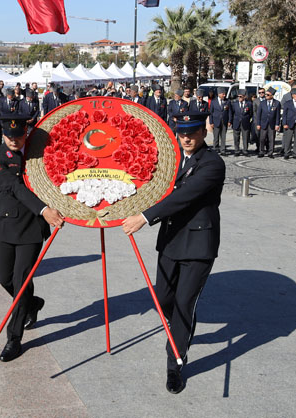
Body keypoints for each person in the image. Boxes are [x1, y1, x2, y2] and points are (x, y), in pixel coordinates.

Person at [121, 111, 225, 394]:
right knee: (163, 299)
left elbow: (184, 195)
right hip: (170, 241)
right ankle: (181, 326)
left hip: (198, 245)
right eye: (182, 133)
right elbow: (151, 183)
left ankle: (175, 363)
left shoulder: (213, 164)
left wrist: (144, 217)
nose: (187, 138)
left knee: (182, 305)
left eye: (192, 132)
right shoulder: (174, 160)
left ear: (203, 132)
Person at [0, 112, 65, 362]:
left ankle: (14, 338)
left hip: (32, 228)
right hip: (8, 225)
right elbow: (14, 186)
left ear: (26, 134)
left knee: (21, 283)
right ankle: (32, 304)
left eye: (19, 135)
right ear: (3, 135)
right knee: (4, 278)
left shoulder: (39, 153)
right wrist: (45, 209)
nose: (15, 140)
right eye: (10, 136)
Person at [256, 86, 281, 158]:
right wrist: (258, 123)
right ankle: (261, 151)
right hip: (263, 123)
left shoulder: (277, 103)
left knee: (271, 139)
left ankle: (270, 152)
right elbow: (259, 114)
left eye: (267, 95)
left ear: (272, 95)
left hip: (272, 124)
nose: (266, 96)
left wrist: (277, 124)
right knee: (262, 138)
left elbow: (278, 115)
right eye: (265, 94)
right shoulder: (262, 103)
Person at [229, 90, 252, 156]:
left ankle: (245, 150)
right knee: (236, 137)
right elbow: (232, 113)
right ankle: (237, 150)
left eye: (241, 96)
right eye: (238, 96)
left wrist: (246, 119)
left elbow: (250, 113)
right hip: (236, 122)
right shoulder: (234, 103)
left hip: (245, 123)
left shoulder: (249, 103)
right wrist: (231, 121)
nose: (239, 98)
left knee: (245, 137)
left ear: (244, 97)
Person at [209, 88, 230, 155]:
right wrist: (211, 122)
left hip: (224, 121)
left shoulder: (227, 101)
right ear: (219, 94)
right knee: (216, 136)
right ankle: (215, 149)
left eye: (225, 94)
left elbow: (230, 112)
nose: (224, 95)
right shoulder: (213, 101)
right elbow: (211, 113)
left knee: (223, 136)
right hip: (216, 121)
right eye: (223, 94)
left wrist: (229, 121)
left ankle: (223, 150)